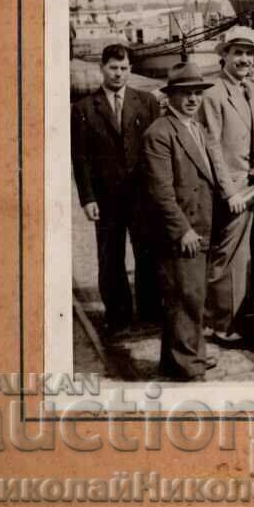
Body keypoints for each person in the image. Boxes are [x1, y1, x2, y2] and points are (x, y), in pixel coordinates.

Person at [200, 36, 254, 342]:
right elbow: (211, 148)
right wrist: (229, 193)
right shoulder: (213, 95)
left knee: (243, 254)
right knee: (225, 255)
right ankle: (215, 322)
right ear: (224, 56)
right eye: (238, 53)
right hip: (232, 187)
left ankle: (229, 317)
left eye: (250, 55)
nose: (245, 60)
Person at [72, 44, 163, 333]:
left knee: (147, 253)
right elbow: (81, 158)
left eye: (124, 68)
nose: (119, 74)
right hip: (106, 198)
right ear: (102, 68)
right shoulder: (85, 108)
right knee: (111, 257)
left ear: (131, 70)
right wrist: (87, 198)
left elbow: (156, 149)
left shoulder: (147, 102)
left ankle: (150, 311)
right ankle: (118, 316)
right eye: (113, 68)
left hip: (142, 196)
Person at [142, 61, 219, 381]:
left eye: (197, 93)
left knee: (190, 294)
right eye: (185, 93)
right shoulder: (159, 133)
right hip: (182, 230)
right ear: (170, 96)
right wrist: (182, 229)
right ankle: (189, 365)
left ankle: (178, 358)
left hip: (200, 222)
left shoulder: (196, 128)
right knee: (185, 295)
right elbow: (161, 191)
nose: (193, 99)